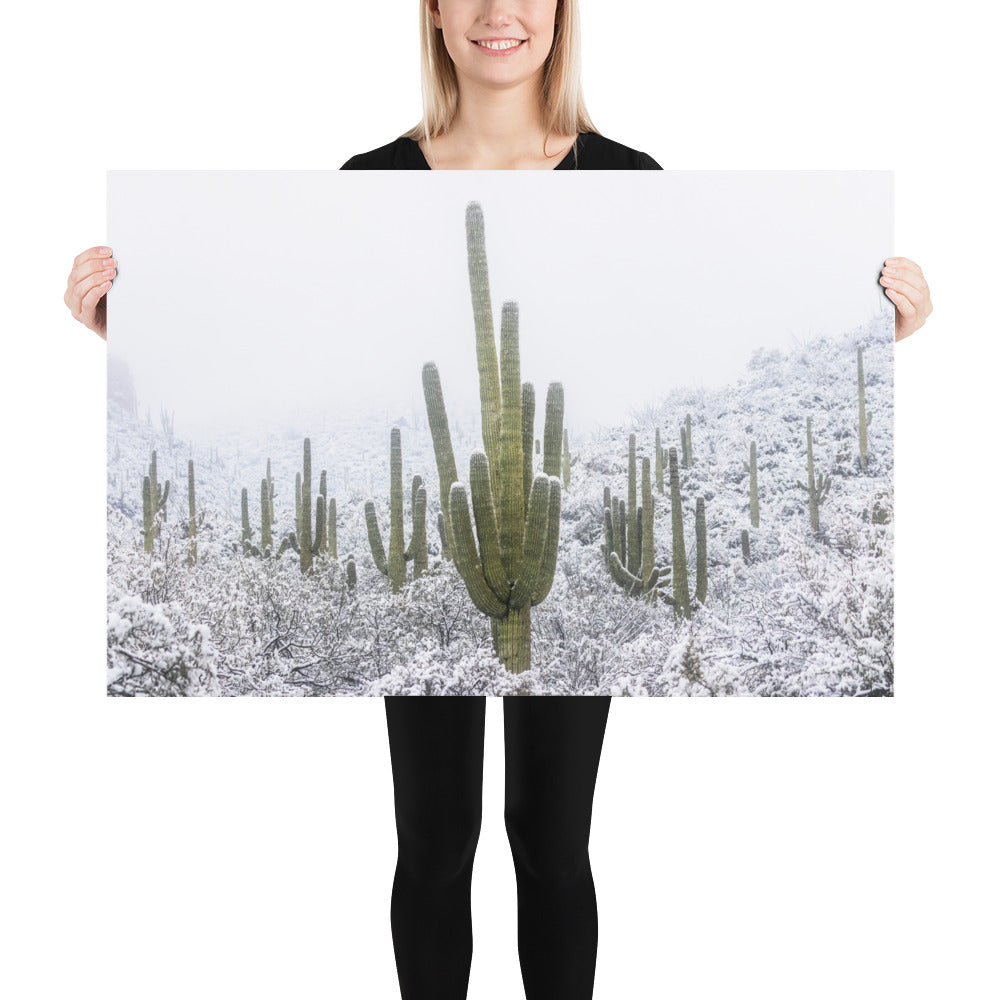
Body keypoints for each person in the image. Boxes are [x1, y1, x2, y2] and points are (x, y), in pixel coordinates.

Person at [64, 2, 933, 998]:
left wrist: (872, 332)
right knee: (434, 842)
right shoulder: (370, 185)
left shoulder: (624, 182)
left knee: (553, 842)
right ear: (430, 13)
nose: (497, 13)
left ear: (562, 14)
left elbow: (691, 341)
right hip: (434, 554)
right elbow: (306, 345)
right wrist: (132, 332)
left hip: (560, 550)